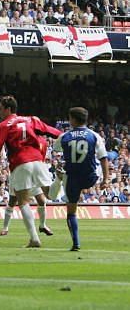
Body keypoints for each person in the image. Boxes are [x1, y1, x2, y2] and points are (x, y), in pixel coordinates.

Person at [0, 95, 61, 248]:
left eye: (0, 108)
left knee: (23, 202)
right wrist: (66, 137)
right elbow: (52, 131)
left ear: (8, 109)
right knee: (49, 195)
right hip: (38, 161)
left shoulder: (4, 125)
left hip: (21, 162)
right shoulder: (31, 119)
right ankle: (60, 179)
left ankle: (34, 239)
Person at [53, 107, 109, 251]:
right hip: (90, 176)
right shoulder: (94, 135)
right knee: (91, 169)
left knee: (71, 211)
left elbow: (56, 150)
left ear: (73, 119)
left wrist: (60, 164)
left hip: (72, 177)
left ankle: (76, 243)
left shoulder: (64, 136)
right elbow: (103, 158)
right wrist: (106, 179)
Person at [0, 136, 54, 237]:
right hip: (20, 172)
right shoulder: (23, 139)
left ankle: (42, 225)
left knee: (42, 200)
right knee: (13, 201)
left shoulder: (43, 142)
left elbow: (42, 157)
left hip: (34, 172)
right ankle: (5, 228)